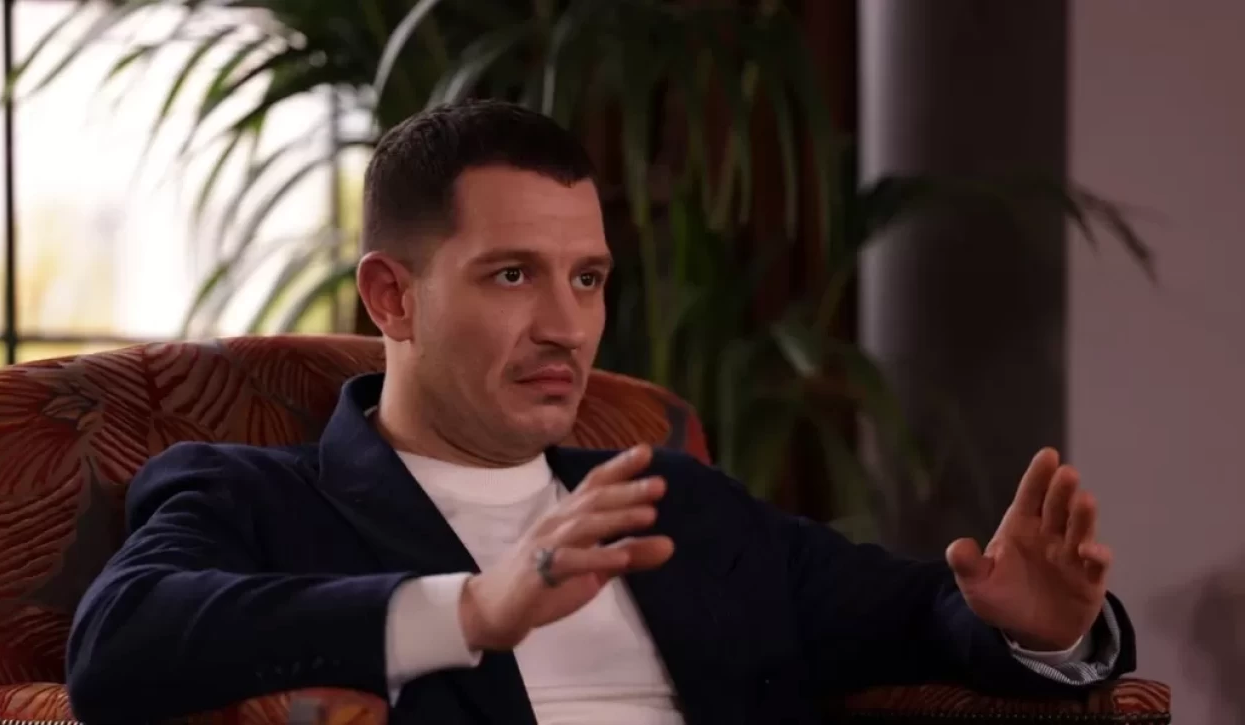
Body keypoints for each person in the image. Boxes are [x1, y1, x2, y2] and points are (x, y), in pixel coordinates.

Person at [65, 100, 1134, 725]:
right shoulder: (250, 494)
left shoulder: (681, 506)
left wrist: (1036, 625)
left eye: (587, 278)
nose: (567, 328)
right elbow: (120, 642)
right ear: (392, 296)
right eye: (512, 275)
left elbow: (920, 609)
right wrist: (469, 609)